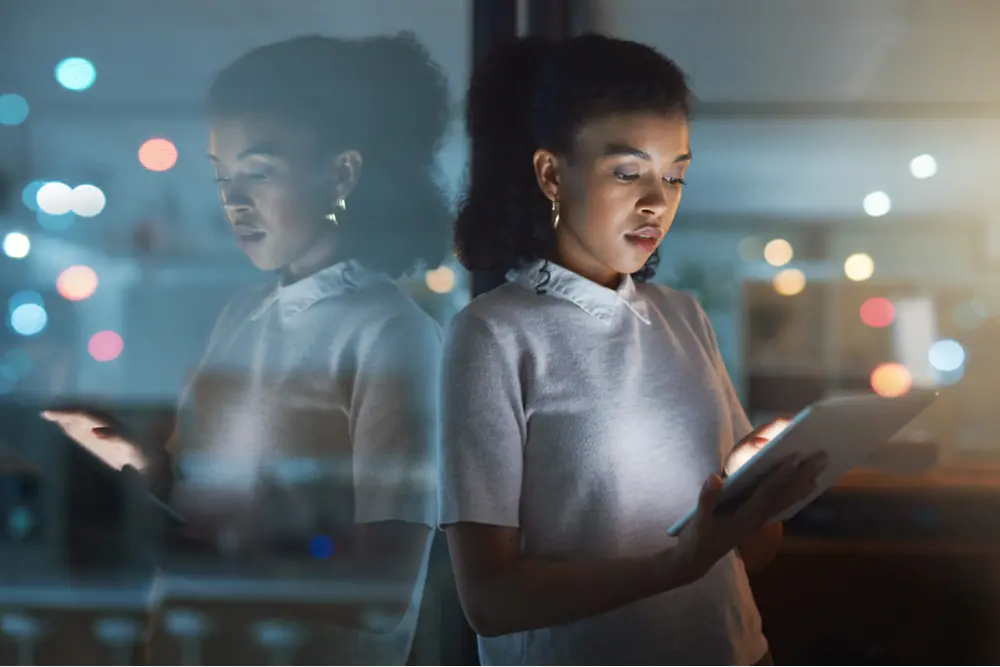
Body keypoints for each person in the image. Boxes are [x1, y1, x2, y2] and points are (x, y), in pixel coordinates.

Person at [44, 32, 451, 665]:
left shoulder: (391, 333)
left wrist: (194, 537)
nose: (234, 201)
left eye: (260, 172)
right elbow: (188, 492)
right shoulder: (243, 312)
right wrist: (105, 446)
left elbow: (387, 585)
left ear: (343, 172)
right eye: (222, 176)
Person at [440, 34, 827, 666]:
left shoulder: (682, 315)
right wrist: (676, 563)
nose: (658, 202)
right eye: (628, 172)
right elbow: (490, 598)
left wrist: (760, 500)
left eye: (675, 174)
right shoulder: (492, 335)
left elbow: (750, 552)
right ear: (550, 173)